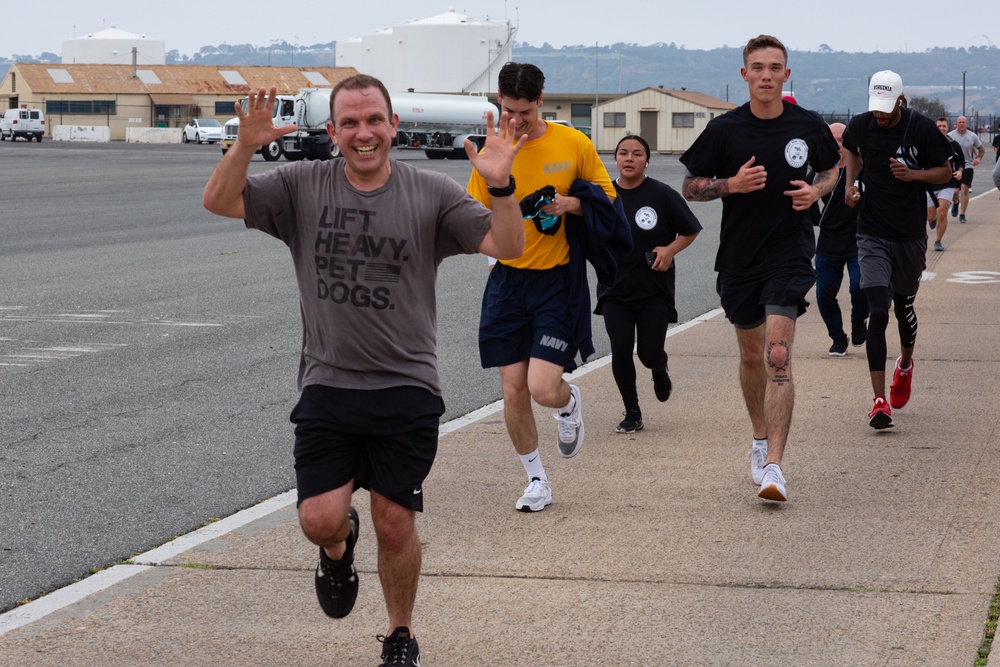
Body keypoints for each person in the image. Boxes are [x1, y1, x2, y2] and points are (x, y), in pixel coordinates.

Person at [202, 75, 527, 666]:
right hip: (328, 383)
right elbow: (220, 202)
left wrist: (502, 186)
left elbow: (509, 247)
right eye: (349, 123)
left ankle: (400, 636)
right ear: (332, 132)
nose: (363, 133)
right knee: (318, 520)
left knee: (395, 522)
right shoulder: (301, 186)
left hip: (406, 386)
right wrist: (244, 146)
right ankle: (337, 549)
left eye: (373, 120)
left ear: (393, 125)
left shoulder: (430, 192)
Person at [680, 35, 841, 502]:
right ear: (744, 75)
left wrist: (817, 192)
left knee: (777, 356)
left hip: (789, 254)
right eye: (758, 67)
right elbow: (690, 187)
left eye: (775, 67)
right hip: (739, 260)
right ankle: (757, 437)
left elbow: (833, 169)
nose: (767, 75)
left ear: (786, 75)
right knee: (752, 357)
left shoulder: (807, 124)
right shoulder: (725, 130)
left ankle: (774, 467)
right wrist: (731, 184)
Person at [467, 61, 624, 513]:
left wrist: (569, 203)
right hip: (506, 282)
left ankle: (568, 401)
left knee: (541, 387)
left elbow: (607, 198)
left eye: (525, 111)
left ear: (541, 101)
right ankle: (537, 479)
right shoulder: (489, 151)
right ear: (499, 100)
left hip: (557, 281)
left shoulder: (572, 142)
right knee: (512, 388)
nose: (516, 120)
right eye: (508, 109)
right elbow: (472, 215)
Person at [843, 70, 952, 430]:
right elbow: (853, 154)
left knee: (903, 307)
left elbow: (945, 173)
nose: (881, 116)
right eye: (876, 109)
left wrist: (913, 175)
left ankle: (904, 366)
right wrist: (851, 185)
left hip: (908, 235)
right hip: (872, 232)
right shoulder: (861, 125)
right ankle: (878, 402)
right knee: (878, 310)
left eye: (887, 110)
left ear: (901, 101)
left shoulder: (920, 129)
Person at [597, 134, 701, 433]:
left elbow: (690, 230)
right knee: (619, 348)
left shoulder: (662, 195)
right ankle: (633, 412)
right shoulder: (604, 195)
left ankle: (659, 365)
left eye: (637, 153)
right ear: (615, 159)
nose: (629, 158)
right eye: (623, 153)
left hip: (654, 287)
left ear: (647, 161)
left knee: (648, 352)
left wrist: (669, 250)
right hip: (614, 288)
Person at [813, 122, 870, 356]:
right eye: (832, 139)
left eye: (840, 139)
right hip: (829, 239)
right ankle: (838, 337)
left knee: (859, 285)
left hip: (860, 237)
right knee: (824, 291)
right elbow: (805, 196)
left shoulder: (863, 168)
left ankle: (859, 318)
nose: (837, 144)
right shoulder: (821, 170)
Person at [927, 117, 964, 251]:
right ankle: (932, 219)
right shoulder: (927, 143)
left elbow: (960, 162)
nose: (941, 128)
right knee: (931, 216)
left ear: (947, 127)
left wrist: (960, 171)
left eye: (944, 126)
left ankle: (938, 241)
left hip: (947, 183)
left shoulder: (954, 144)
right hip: (930, 184)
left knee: (942, 212)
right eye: (939, 126)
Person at [947, 115, 985, 223]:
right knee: (954, 191)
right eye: (960, 122)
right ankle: (955, 202)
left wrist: (978, 158)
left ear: (966, 124)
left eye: (964, 122)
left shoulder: (972, 136)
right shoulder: (950, 136)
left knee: (964, 188)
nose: (962, 124)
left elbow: (981, 149)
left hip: (967, 165)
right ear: (956, 124)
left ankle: (962, 214)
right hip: (954, 166)